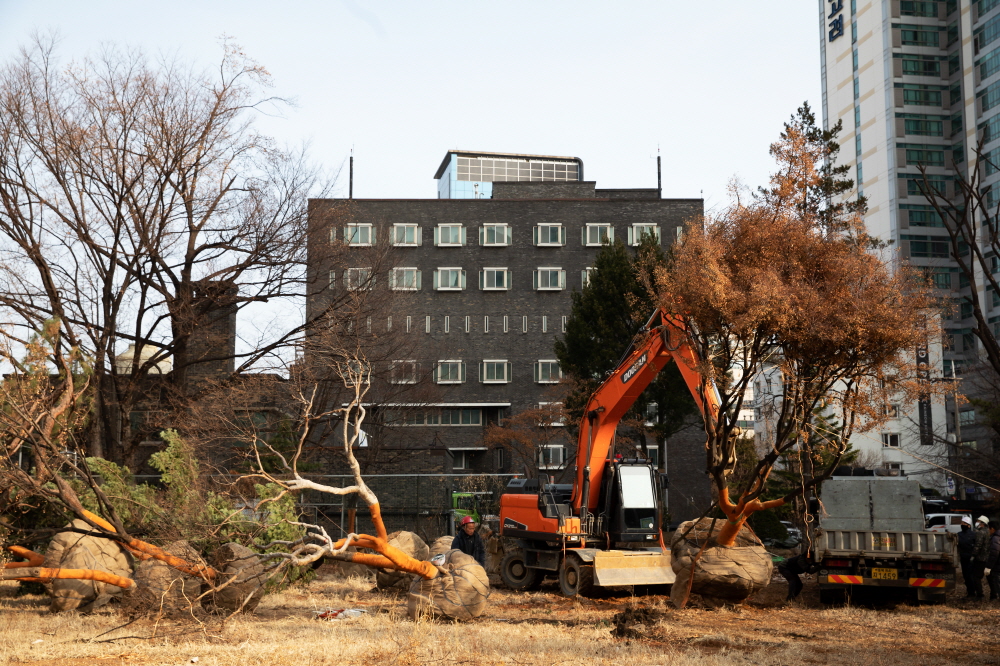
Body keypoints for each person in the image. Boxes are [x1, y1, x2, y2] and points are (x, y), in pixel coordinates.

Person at [970, 515, 992, 599]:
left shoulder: (980, 532)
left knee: (976, 577)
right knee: (990, 578)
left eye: (978, 521)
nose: (977, 522)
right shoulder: (990, 532)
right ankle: (994, 595)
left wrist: (973, 555)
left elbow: (978, 545)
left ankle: (980, 594)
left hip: (980, 558)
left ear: (983, 523)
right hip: (989, 558)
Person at [958, 515, 978, 599]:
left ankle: (973, 593)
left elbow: (977, 546)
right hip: (963, 558)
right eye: (962, 523)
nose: (962, 525)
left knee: (971, 576)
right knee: (965, 576)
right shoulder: (959, 534)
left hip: (971, 559)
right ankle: (970, 592)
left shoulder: (974, 534)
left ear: (969, 525)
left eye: (964, 523)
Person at [986, 519, 1000, 602]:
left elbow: (994, 553)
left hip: (998, 565)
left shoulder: (995, 538)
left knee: (997, 583)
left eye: (988, 528)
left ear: (992, 529)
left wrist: (988, 567)